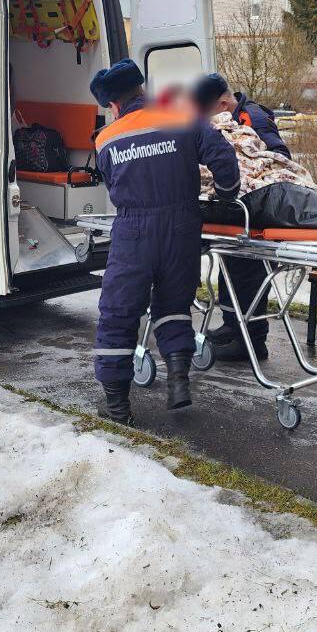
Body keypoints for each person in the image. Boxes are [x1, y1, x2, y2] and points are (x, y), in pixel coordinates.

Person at [90, 60, 240, 423]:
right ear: (142, 89)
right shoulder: (181, 117)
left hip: (133, 232)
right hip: (182, 227)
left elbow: (112, 185)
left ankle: (117, 406)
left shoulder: (106, 139)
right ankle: (178, 383)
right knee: (174, 304)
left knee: (119, 314)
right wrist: (226, 196)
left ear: (113, 105)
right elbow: (223, 158)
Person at [193, 72, 289, 362]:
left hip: (257, 209)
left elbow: (278, 158)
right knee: (231, 267)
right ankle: (233, 327)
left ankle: (252, 342)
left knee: (247, 273)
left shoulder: (253, 119)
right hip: (239, 209)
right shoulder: (235, 116)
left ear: (223, 105)